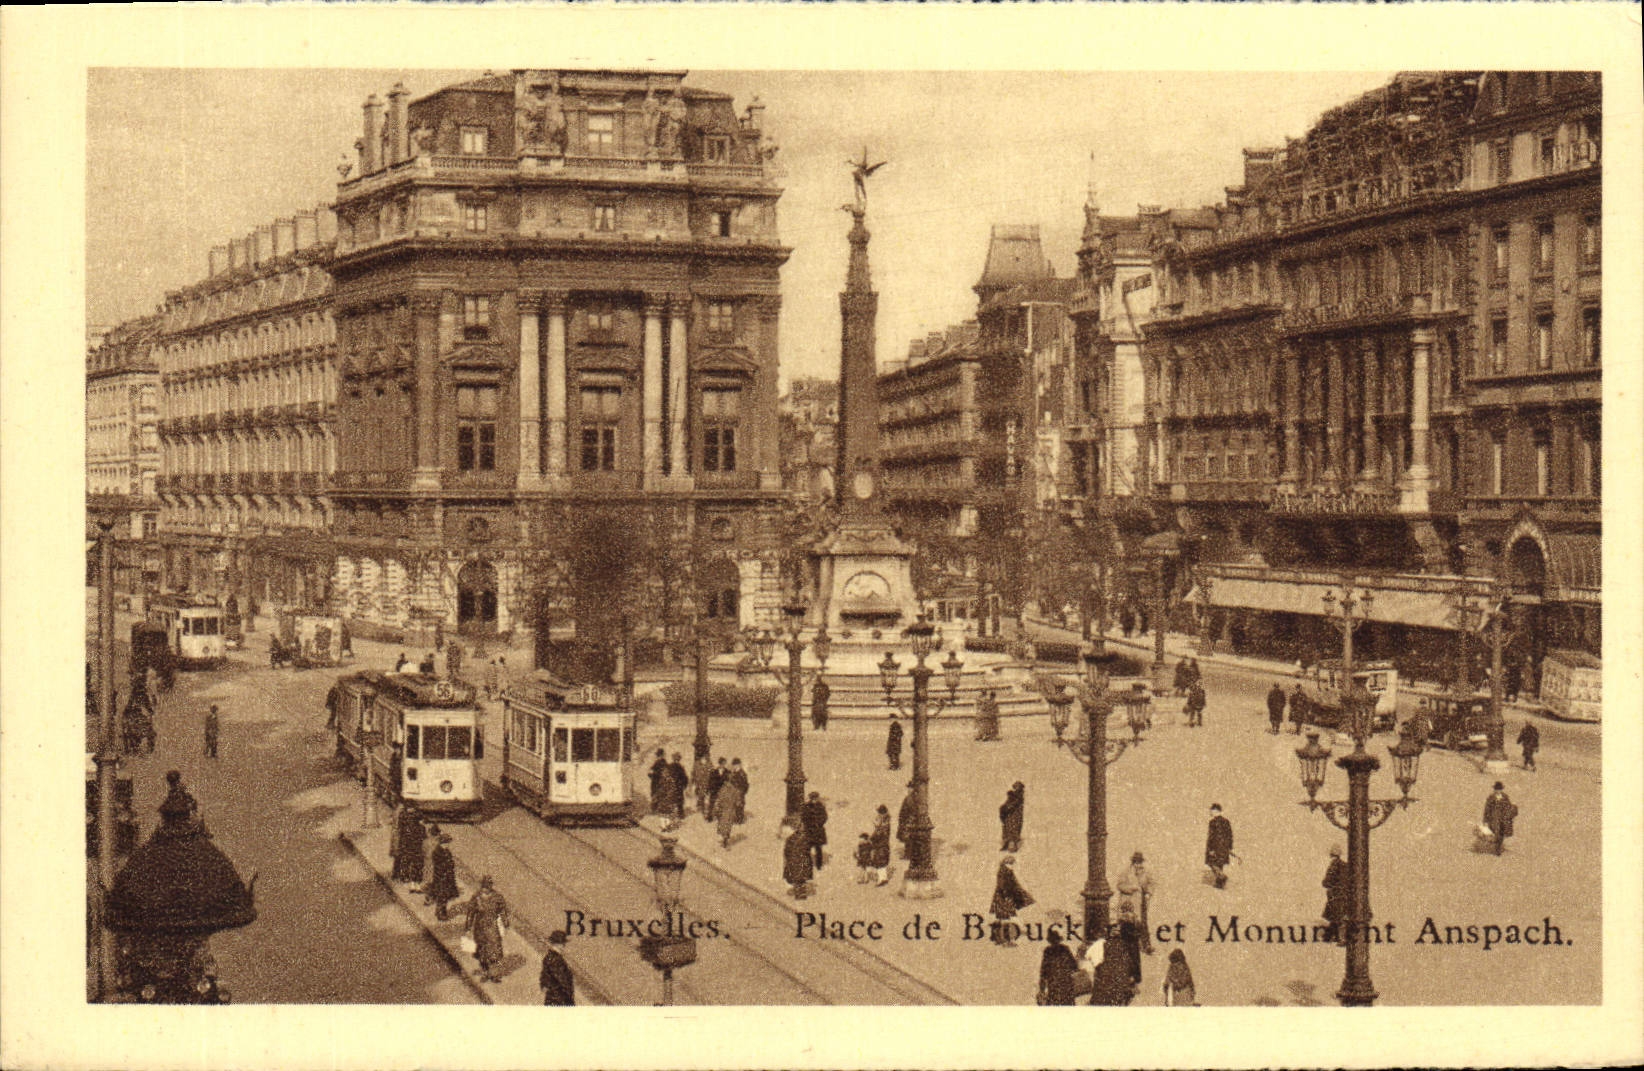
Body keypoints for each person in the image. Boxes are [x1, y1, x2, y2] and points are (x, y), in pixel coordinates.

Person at [462, 875, 510, 983]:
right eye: (484, 887)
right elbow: (471, 912)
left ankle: (493, 973)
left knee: (494, 950)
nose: (485, 889)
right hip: (480, 928)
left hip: (492, 927)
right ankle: (485, 972)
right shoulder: (476, 897)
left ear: (490, 887)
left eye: (487, 887)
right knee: (482, 951)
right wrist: (468, 927)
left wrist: (505, 922)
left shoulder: (497, 897)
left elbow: (502, 910)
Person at [1117, 851, 1155, 954]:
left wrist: (1148, 893)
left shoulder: (1146, 872)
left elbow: (1151, 883)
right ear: (1133, 862)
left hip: (1141, 901)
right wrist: (1131, 888)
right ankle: (1126, 945)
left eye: (1140, 862)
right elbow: (1120, 885)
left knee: (1142, 923)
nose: (1138, 864)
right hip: (1128, 902)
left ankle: (1146, 945)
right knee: (1127, 922)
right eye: (1136, 862)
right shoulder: (1126, 872)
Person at [989, 855, 1033, 945]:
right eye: (1011, 863)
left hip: (1006, 897)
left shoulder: (1008, 871)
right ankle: (1015, 932)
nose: (1013, 865)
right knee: (1007, 915)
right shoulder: (1003, 872)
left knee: (1005, 916)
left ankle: (1002, 937)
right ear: (1008, 863)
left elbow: (1014, 884)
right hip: (1004, 898)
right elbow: (1003, 885)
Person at [1038, 930, 1081, 1005]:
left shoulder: (1048, 952)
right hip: (1064, 987)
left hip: (1056, 988)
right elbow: (1074, 967)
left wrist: (1042, 990)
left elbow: (1043, 973)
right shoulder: (1064, 949)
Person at [425, 830, 460, 920]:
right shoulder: (437, 852)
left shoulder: (446, 851)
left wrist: (449, 864)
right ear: (443, 843)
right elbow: (439, 865)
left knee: (445, 896)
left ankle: (440, 911)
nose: (448, 845)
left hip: (447, 878)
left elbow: (450, 862)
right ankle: (441, 913)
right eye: (447, 843)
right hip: (441, 878)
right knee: (442, 896)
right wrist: (448, 865)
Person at [392, 802, 426, 884]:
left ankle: (407, 876)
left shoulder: (405, 815)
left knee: (407, 859)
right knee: (408, 859)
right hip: (409, 841)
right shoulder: (409, 816)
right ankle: (408, 876)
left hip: (409, 841)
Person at [539, 930, 575, 1005]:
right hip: (560, 999)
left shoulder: (548, 957)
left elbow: (544, 978)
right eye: (563, 944)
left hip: (551, 998)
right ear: (558, 945)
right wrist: (570, 997)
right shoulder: (557, 960)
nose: (564, 946)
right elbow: (563, 980)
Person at [1322, 844, 1348, 945]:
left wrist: (1325, 883)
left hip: (1335, 895)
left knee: (1338, 916)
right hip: (1344, 894)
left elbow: (1327, 881)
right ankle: (1328, 936)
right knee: (1337, 916)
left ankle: (1341, 939)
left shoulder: (1333, 865)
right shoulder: (1345, 865)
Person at [1482, 782, 1518, 856]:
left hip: (1503, 818)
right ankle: (1497, 849)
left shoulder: (1505, 797)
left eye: (1499, 789)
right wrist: (1485, 820)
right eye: (1496, 789)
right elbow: (1487, 809)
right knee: (1496, 832)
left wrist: (1511, 815)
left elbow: (1509, 806)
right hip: (1494, 818)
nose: (1498, 791)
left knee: (1502, 833)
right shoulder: (1491, 798)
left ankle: (1498, 846)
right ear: (1494, 790)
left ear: (1501, 789)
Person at [712, 768, 744, 848]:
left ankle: (725, 839)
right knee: (728, 825)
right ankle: (725, 838)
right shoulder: (735, 790)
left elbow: (719, 799)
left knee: (723, 825)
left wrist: (717, 807)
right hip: (731, 810)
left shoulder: (723, 789)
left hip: (723, 810)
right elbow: (738, 802)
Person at [1113, 904, 1144, 986]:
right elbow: (1140, 929)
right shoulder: (1136, 918)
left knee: (1125, 959)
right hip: (1134, 942)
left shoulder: (1121, 918)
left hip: (1124, 941)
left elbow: (1118, 929)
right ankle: (1136, 977)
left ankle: (1126, 976)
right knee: (1135, 959)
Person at [782, 822, 814, 899]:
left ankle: (800, 893)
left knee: (799, 878)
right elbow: (787, 851)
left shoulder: (796, 838)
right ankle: (800, 894)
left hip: (798, 861)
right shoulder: (795, 838)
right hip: (796, 861)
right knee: (798, 878)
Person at [1205, 803, 1234, 889]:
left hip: (1215, 847)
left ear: (1216, 811)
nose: (1210, 813)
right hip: (1224, 848)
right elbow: (1230, 835)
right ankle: (1219, 884)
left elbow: (1211, 837)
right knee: (1220, 864)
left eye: (1211, 811)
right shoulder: (1226, 821)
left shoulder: (1212, 822)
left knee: (1212, 863)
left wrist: (1210, 849)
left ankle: (1222, 877)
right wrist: (1229, 847)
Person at [800, 791, 828, 870]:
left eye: (816, 798)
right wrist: (809, 824)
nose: (815, 800)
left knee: (818, 848)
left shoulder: (821, 806)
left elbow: (825, 817)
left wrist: (819, 823)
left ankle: (819, 865)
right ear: (811, 799)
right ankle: (807, 865)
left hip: (818, 830)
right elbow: (803, 817)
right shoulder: (806, 807)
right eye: (813, 798)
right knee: (807, 848)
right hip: (809, 830)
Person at [869, 805, 893, 886]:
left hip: (880, 846)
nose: (878, 815)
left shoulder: (882, 826)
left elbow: (877, 835)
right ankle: (884, 878)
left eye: (879, 813)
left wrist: (871, 838)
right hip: (885, 846)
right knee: (883, 863)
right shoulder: (886, 822)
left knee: (879, 863)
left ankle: (881, 880)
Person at [999, 781, 1025, 854]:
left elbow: (1013, 805)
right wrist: (1003, 809)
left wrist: (1005, 808)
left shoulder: (1019, 797)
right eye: (1016, 787)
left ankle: (1012, 844)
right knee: (1008, 829)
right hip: (1009, 816)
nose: (1016, 789)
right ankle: (1007, 844)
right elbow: (1007, 805)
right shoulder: (1012, 796)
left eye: (1018, 787)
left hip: (1015, 817)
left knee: (1013, 830)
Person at [664, 752, 689, 827]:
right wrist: (684, 784)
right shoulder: (675, 766)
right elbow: (685, 778)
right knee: (676, 800)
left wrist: (683, 784)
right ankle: (677, 815)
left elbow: (685, 778)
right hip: (675, 786)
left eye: (678, 758)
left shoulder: (676, 767)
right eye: (676, 758)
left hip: (675, 787)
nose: (677, 760)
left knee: (677, 800)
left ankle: (678, 814)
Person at [895, 787, 916, 859]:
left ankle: (908, 855)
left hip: (908, 821)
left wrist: (908, 820)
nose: (909, 790)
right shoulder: (909, 798)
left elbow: (912, 811)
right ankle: (908, 854)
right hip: (905, 821)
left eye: (910, 788)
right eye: (908, 789)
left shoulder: (911, 798)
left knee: (908, 838)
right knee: (907, 838)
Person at [706, 757, 729, 823]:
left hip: (723, 791)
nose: (723, 765)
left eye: (724, 764)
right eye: (722, 763)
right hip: (714, 790)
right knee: (711, 804)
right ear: (719, 763)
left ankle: (720, 817)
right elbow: (710, 781)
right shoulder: (714, 771)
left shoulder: (727, 772)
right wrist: (708, 790)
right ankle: (709, 817)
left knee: (722, 804)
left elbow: (729, 781)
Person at [727, 758, 749, 824]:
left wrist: (742, 792)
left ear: (739, 765)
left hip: (740, 793)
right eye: (734, 765)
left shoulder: (742, 773)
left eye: (736, 765)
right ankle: (736, 819)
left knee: (740, 806)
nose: (734, 766)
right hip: (733, 792)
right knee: (734, 806)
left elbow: (746, 784)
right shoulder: (733, 773)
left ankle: (740, 821)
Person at [648, 749, 669, 815]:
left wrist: (652, 776)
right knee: (662, 795)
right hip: (662, 782)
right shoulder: (665, 763)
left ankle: (654, 810)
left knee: (655, 795)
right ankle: (660, 810)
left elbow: (649, 773)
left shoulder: (656, 763)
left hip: (655, 782)